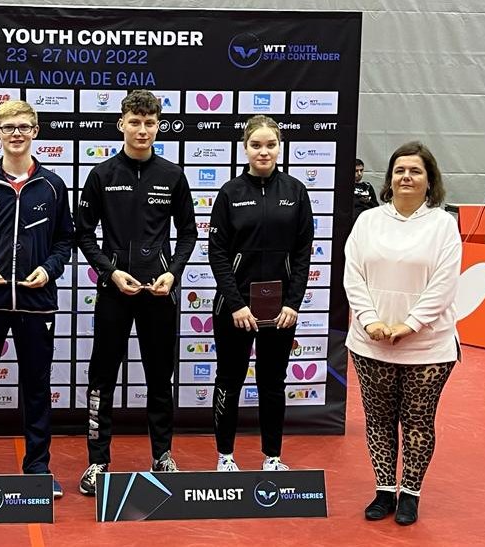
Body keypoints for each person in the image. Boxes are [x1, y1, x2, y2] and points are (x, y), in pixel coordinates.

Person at [76, 89, 197, 495]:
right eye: (135, 122)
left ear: (158, 126)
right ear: (121, 124)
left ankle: (162, 455)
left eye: (149, 123)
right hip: (115, 292)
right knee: (101, 378)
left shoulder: (173, 175)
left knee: (160, 378)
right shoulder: (102, 175)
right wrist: (110, 273)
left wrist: (173, 274)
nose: (142, 130)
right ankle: (97, 461)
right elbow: (83, 234)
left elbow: (188, 234)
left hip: (158, 294)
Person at [0, 100, 73, 498]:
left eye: (24, 126)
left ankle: (38, 468)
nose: (16, 133)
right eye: (8, 127)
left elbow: (65, 240)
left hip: (36, 304)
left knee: (37, 389)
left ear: (36, 131)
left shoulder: (53, 185)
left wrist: (50, 269)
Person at [344, 141, 460, 526]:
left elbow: (444, 284)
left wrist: (409, 325)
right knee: (378, 421)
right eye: (399, 170)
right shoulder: (368, 221)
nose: (406, 177)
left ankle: (410, 494)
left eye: (415, 171)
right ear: (389, 179)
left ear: (430, 180)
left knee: (417, 422)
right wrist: (370, 321)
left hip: (428, 346)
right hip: (371, 342)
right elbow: (353, 275)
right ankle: (383, 490)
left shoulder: (443, 225)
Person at [207, 114, 314, 473]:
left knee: (272, 383)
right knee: (229, 380)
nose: (263, 151)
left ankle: (273, 457)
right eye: (256, 145)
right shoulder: (230, 193)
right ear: (245, 148)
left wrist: (293, 303)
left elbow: (302, 253)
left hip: (280, 310)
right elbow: (218, 253)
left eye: (270, 145)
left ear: (280, 147)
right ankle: (225, 457)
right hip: (234, 309)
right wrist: (236, 304)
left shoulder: (295, 191)